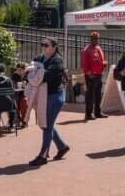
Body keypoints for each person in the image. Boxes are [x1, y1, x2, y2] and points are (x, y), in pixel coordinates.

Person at [28, 38, 70, 166]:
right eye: (42, 44)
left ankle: (43, 155)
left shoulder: (57, 60)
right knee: (45, 124)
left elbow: (46, 76)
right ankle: (62, 147)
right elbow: (30, 70)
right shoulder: (40, 58)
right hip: (43, 96)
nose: (44, 47)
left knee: (46, 125)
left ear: (54, 47)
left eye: (46, 45)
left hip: (55, 97)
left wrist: (35, 73)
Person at [80, 32, 107, 120]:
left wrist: (103, 64)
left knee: (98, 95)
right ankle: (88, 114)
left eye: (97, 38)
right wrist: (88, 73)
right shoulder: (86, 50)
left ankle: (98, 112)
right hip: (91, 75)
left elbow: (100, 59)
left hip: (99, 74)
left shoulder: (98, 48)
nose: (96, 40)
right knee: (90, 95)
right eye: (94, 38)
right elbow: (84, 63)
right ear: (91, 39)